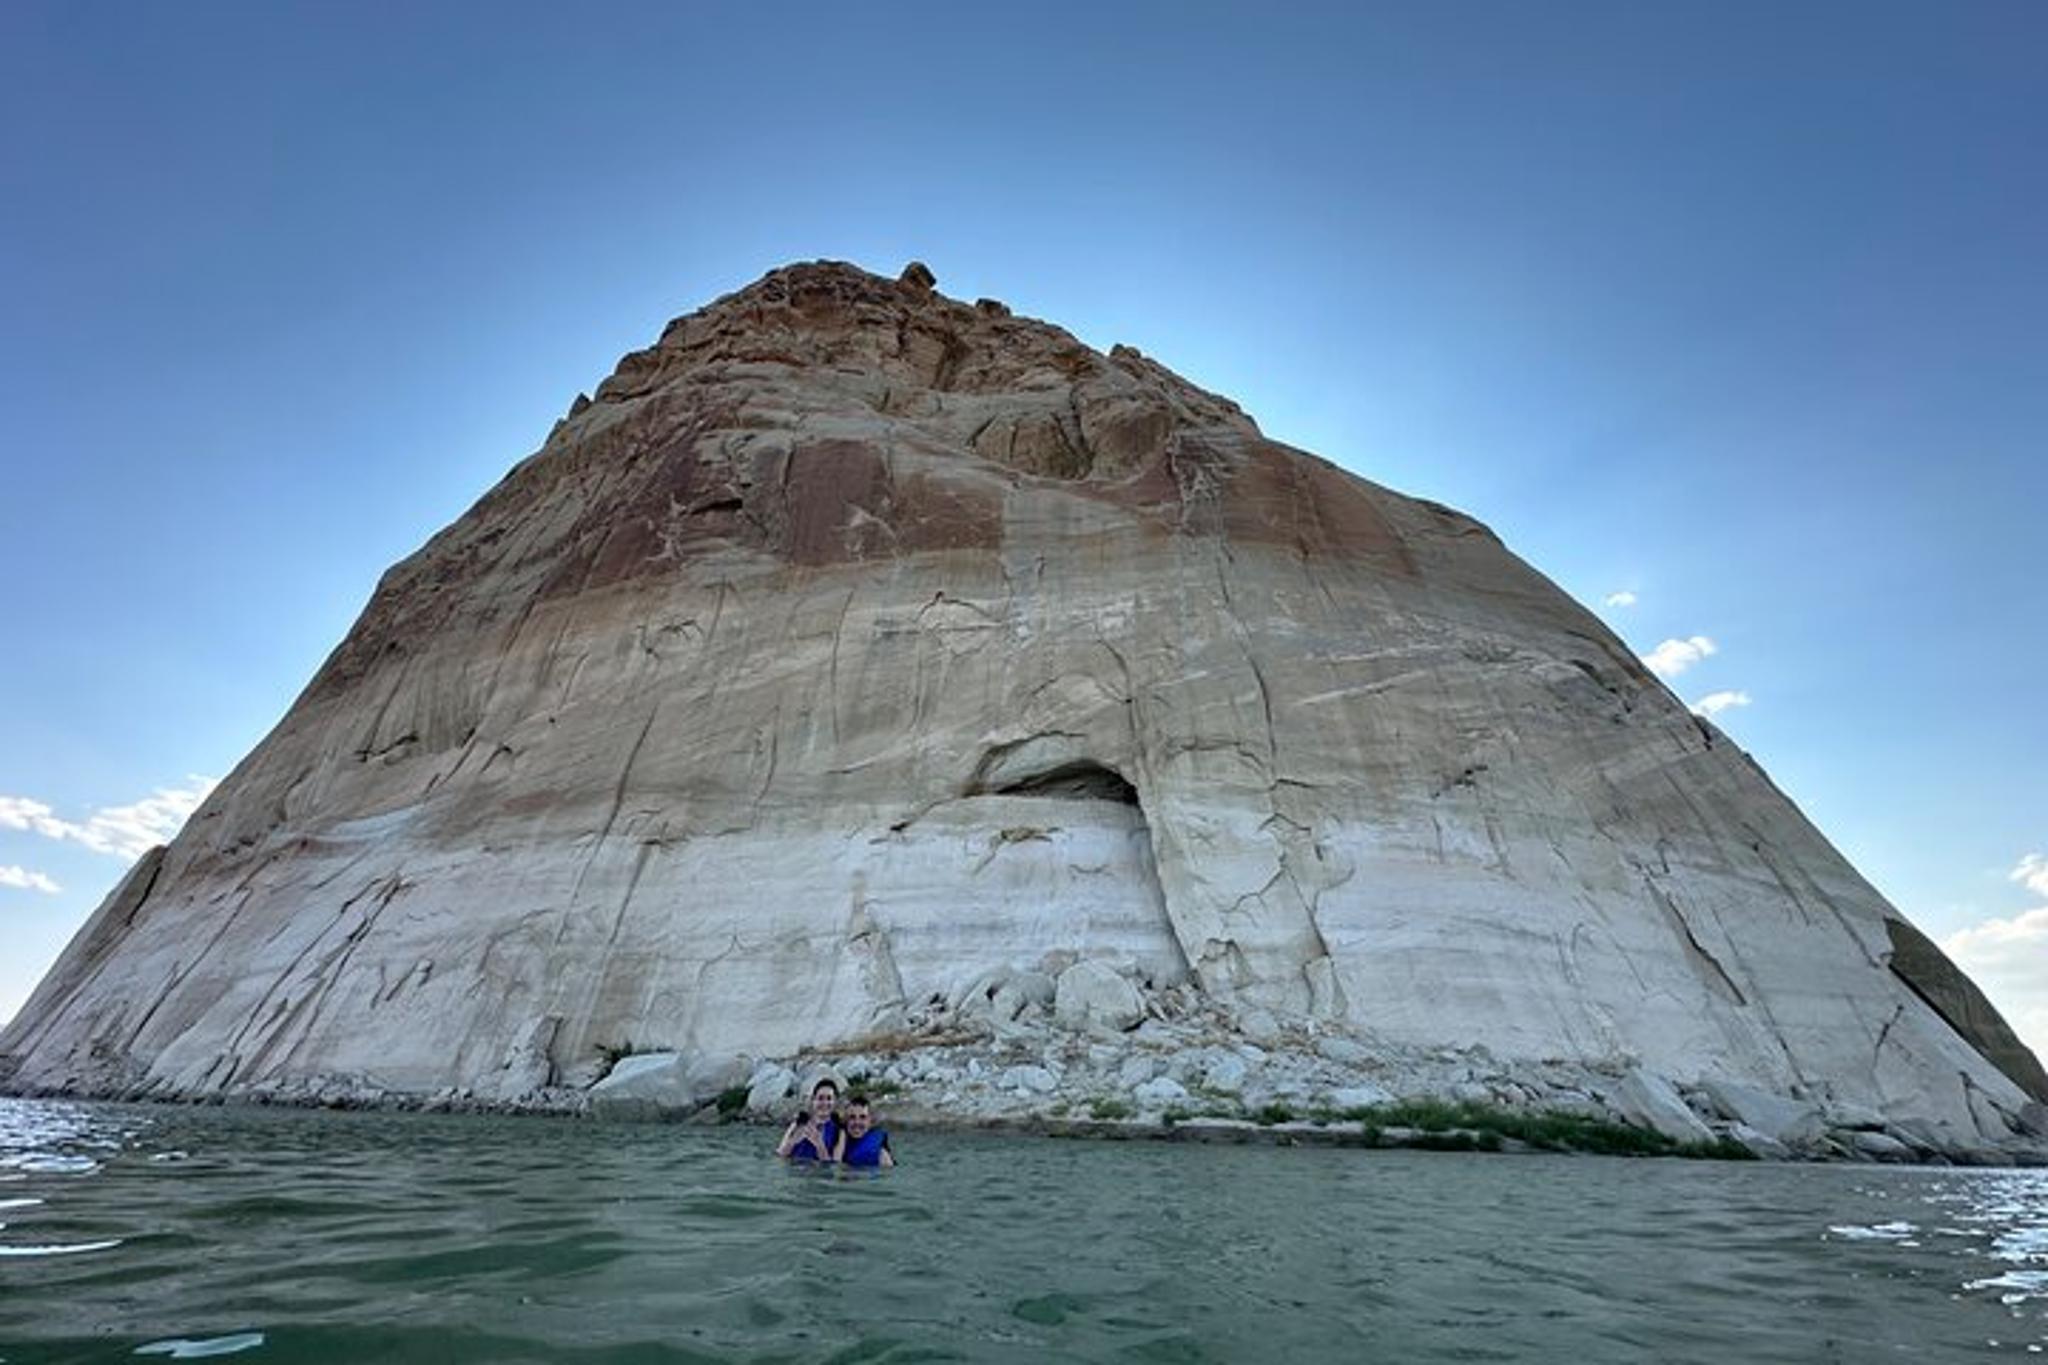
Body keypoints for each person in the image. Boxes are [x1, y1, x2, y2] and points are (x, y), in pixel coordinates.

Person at [776, 1078, 840, 1163]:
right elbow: (780, 1155)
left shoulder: (838, 1130)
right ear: (813, 1100)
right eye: (820, 1098)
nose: (824, 1103)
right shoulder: (799, 1123)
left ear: (835, 1101)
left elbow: (834, 1164)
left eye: (829, 1099)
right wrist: (793, 1140)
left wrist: (819, 1145)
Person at [834, 1092, 894, 1169]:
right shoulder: (838, 1140)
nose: (857, 1122)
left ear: (870, 1121)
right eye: (852, 1117)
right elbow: (834, 1168)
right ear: (846, 1120)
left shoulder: (881, 1152)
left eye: (862, 1117)